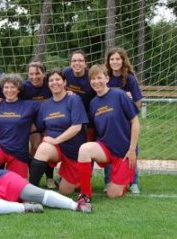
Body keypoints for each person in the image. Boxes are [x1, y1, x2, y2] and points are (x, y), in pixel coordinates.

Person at [76, 64, 140, 211]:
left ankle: (126, 181)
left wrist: (132, 150)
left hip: (124, 152)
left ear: (107, 78)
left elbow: (135, 122)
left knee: (112, 194)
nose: (96, 81)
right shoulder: (93, 103)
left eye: (99, 77)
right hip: (105, 149)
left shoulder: (119, 95)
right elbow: (92, 131)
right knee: (84, 149)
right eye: (92, 78)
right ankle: (85, 194)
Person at [29, 68, 89, 197]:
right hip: (55, 148)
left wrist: (56, 140)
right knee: (43, 148)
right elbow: (38, 126)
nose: (54, 82)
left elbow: (77, 127)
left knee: (65, 191)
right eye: (51, 80)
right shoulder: (45, 105)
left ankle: (67, 178)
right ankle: (30, 192)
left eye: (57, 79)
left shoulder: (74, 99)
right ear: (48, 84)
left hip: (73, 151)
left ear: (64, 82)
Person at [104, 47, 143, 194]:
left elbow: (138, 101)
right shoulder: (106, 77)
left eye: (117, 59)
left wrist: (129, 105)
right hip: (109, 121)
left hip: (126, 122)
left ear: (123, 60)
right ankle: (108, 181)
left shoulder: (129, 78)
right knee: (109, 149)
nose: (115, 62)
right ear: (108, 61)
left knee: (131, 149)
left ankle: (134, 182)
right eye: (112, 59)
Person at [21, 61, 56, 189]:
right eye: (31, 74)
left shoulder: (51, 84)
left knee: (48, 147)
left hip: (50, 121)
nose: (34, 77)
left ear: (44, 74)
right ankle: (33, 178)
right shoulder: (24, 87)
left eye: (37, 73)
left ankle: (50, 178)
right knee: (35, 147)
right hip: (33, 123)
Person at [63, 49, 96, 141]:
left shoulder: (91, 76)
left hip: (89, 111)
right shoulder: (65, 73)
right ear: (70, 63)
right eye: (74, 61)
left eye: (80, 60)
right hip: (70, 112)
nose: (77, 63)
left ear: (86, 64)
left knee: (88, 140)